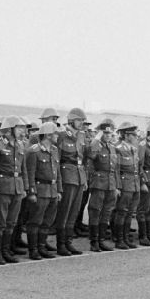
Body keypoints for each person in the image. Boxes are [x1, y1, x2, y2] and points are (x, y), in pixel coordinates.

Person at [0, 116, 28, 264]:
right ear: (10, 130)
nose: (22, 131)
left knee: (11, 222)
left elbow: (23, 169)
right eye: (18, 128)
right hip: (3, 187)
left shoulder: (21, 145)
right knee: (0, 222)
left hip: (17, 187)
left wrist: (25, 187)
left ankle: (6, 250)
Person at [24, 122, 62, 261]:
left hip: (52, 190)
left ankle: (41, 247)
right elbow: (30, 173)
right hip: (40, 190)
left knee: (47, 221)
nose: (57, 135)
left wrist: (59, 190)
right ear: (48, 134)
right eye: (55, 133)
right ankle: (33, 250)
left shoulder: (54, 150)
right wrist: (31, 192)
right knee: (35, 221)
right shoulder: (34, 151)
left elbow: (57, 172)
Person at [53, 108, 88, 256]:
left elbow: (82, 160)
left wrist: (84, 179)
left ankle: (68, 242)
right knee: (64, 212)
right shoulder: (61, 135)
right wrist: (58, 183)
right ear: (71, 120)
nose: (81, 123)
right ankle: (60, 244)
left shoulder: (81, 136)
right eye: (79, 120)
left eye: (82, 121)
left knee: (73, 212)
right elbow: (56, 160)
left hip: (79, 177)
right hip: (66, 177)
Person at [85, 118, 120, 252]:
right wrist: (96, 139)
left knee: (106, 212)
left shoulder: (112, 147)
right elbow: (91, 155)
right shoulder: (96, 145)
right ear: (100, 134)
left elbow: (115, 168)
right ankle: (94, 241)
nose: (108, 136)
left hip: (110, 183)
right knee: (95, 211)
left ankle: (101, 240)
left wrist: (116, 186)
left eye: (110, 133)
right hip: (99, 182)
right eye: (105, 133)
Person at [112, 121, 142, 250]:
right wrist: (117, 187)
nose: (136, 137)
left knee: (130, 212)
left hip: (134, 183)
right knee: (122, 211)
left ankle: (125, 237)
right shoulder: (118, 149)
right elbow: (116, 170)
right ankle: (119, 239)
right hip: (125, 183)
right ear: (126, 135)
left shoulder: (133, 149)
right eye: (133, 135)